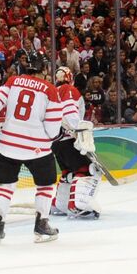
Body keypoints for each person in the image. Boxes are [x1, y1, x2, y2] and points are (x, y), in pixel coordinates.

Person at [0, 70, 79, 243]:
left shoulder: (12, 81)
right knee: (46, 185)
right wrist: (54, 136)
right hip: (37, 149)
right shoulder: (50, 90)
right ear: (42, 72)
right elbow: (52, 130)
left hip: (8, 146)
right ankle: (41, 223)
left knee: (5, 186)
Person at [50, 68, 101, 220]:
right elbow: (69, 113)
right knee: (87, 169)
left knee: (69, 172)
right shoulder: (69, 89)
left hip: (56, 142)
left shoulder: (52, 92)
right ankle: (79, 205)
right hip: (68, 139)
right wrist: (78, 129)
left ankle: (60, 204)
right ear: (69, 77)